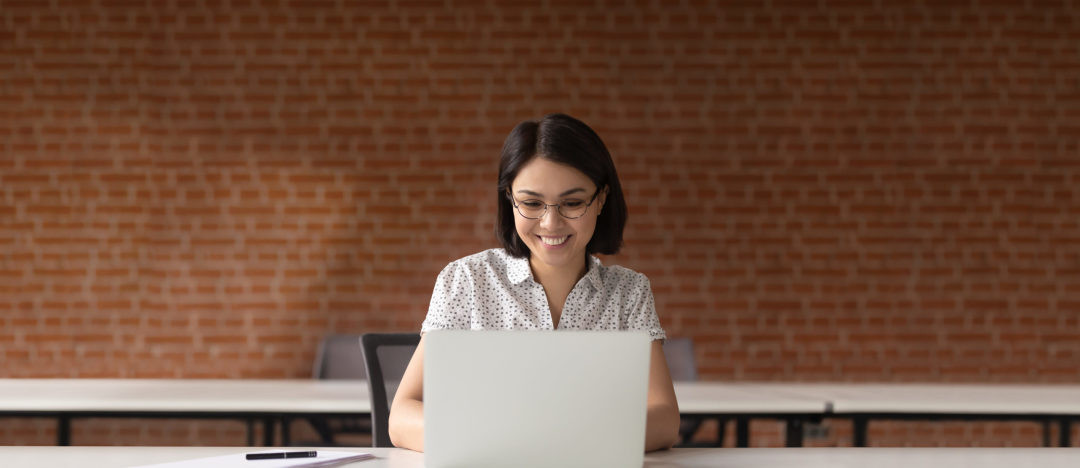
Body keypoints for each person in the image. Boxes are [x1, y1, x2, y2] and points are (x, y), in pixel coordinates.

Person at [387, 113, 680, 452]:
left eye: (573, 203)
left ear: (601, 199)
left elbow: (664, 418)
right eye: (531, 203)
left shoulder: (629, 292)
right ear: (509, 199)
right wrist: (495, 441)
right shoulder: (466, 281)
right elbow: (402, 417)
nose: (551, 222)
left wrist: (565, 442)